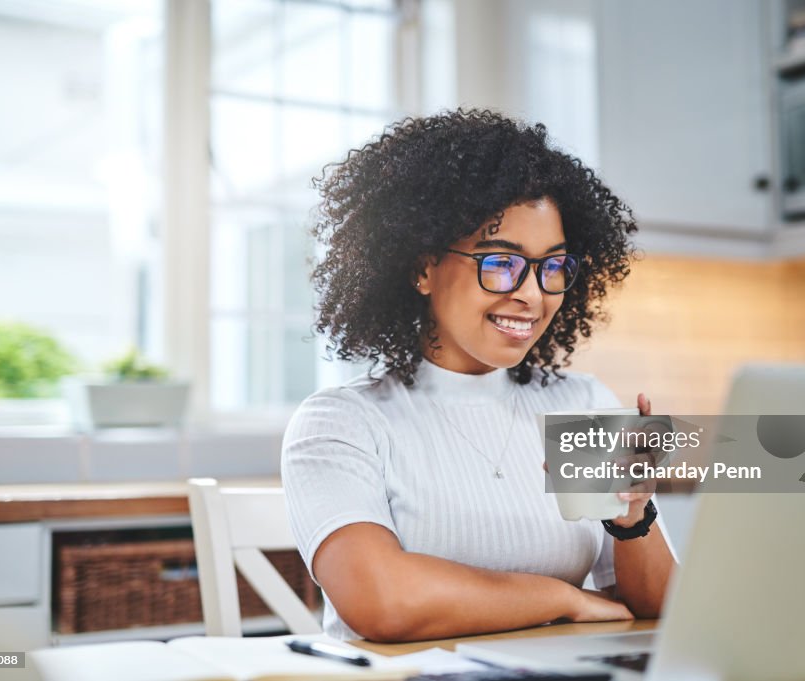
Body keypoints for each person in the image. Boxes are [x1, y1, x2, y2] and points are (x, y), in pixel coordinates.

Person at [282, 109, 675, 642]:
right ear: (423, 268)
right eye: (500, 262)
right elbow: (383, 601)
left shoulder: (581, 403)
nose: (533, 294)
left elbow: (654, 610)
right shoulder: (342, 423)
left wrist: (632, 519)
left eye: (553, 266)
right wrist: (562, 598)